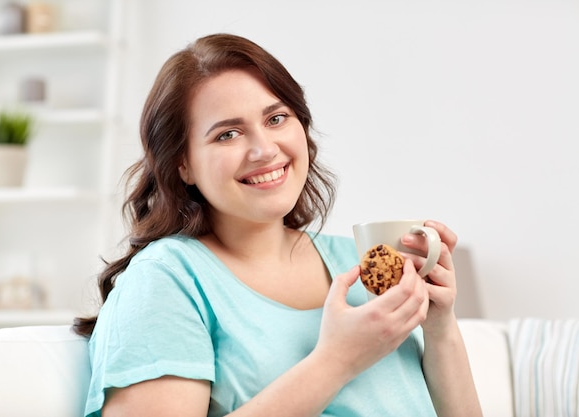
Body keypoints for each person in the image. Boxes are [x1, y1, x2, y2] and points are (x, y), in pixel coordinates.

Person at [73, 33, 483, 417]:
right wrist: (335, 361)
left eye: (276, 119)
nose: (264, 150)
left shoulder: (357, 261)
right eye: (227, 134)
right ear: (183, 164)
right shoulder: (166, 279)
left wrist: (439, 325)